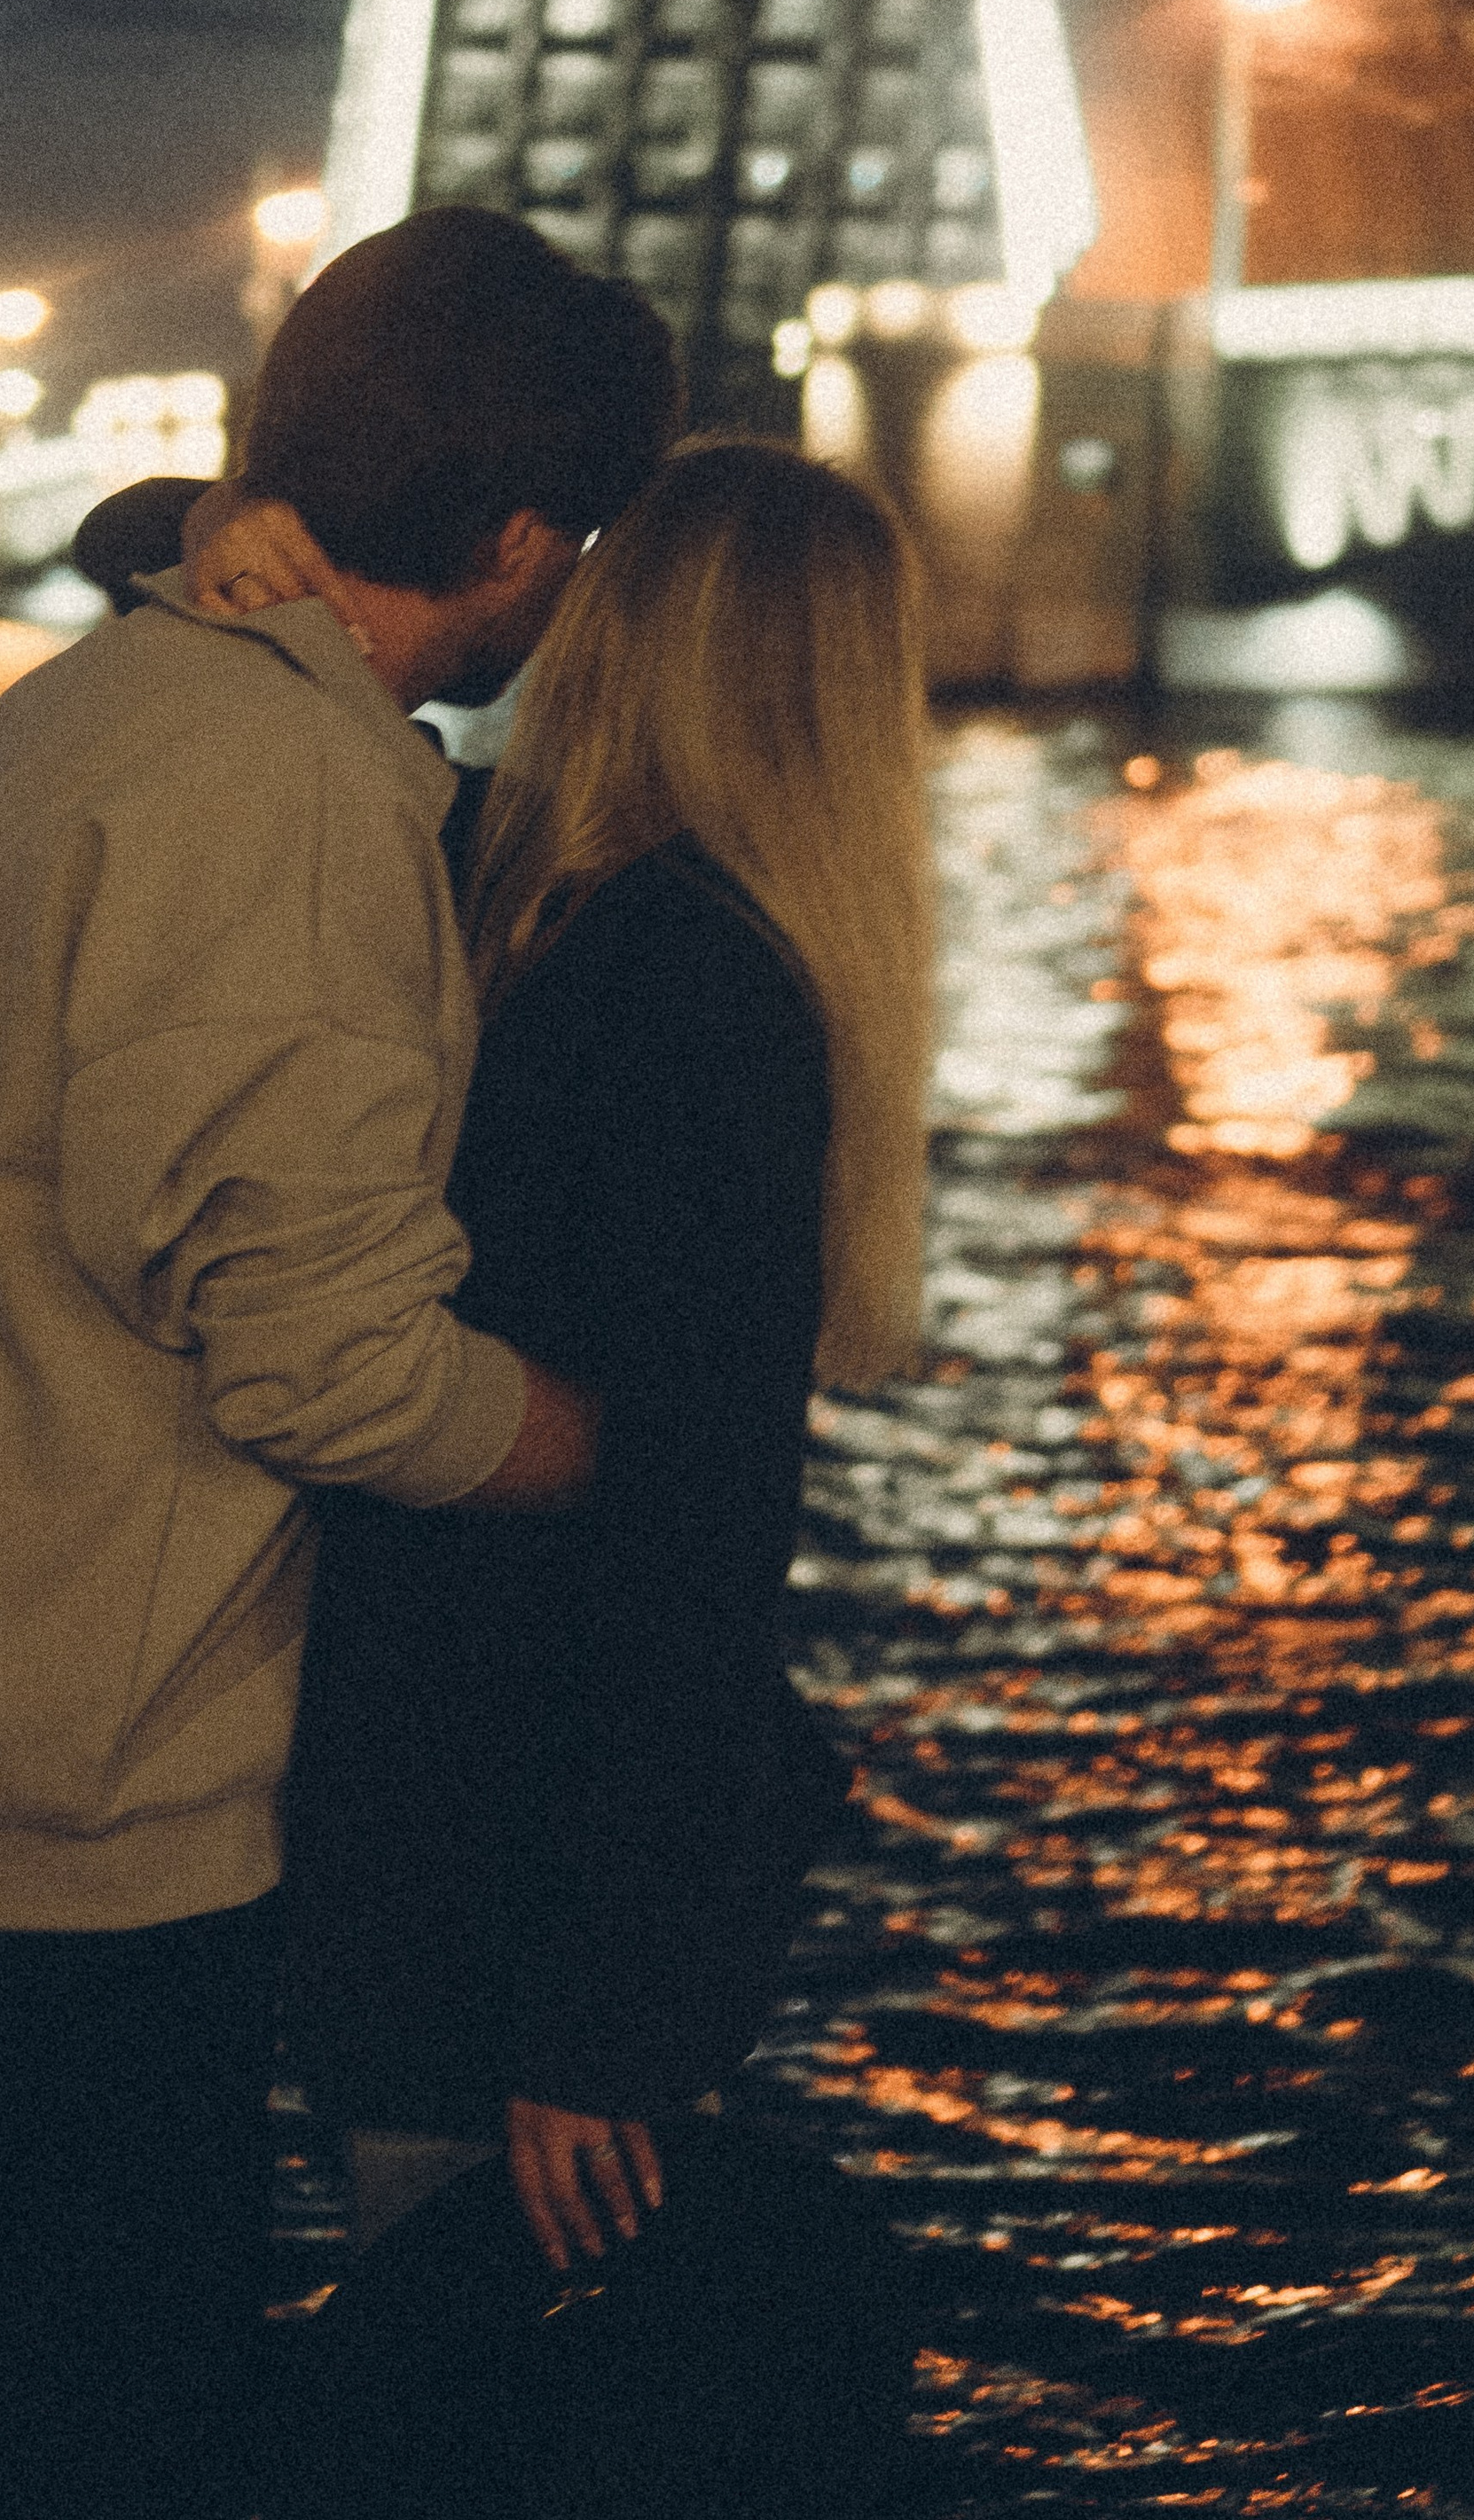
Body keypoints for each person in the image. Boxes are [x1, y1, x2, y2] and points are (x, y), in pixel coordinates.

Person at [0, 204, 678, 2520]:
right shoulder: (286, 794)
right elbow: (324, 1364)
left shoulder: (113, 707)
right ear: (528, 539)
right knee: (108, 2430)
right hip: (85, 1808)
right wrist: (606, 1450)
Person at [252, 436, 932, 2288]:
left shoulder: (515, 911)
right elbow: (693, 1552)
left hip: (420, 1825)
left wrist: (218, 534)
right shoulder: (715, 985)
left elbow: (674, 1532)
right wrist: (607, 2016)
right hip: (522, 1866)